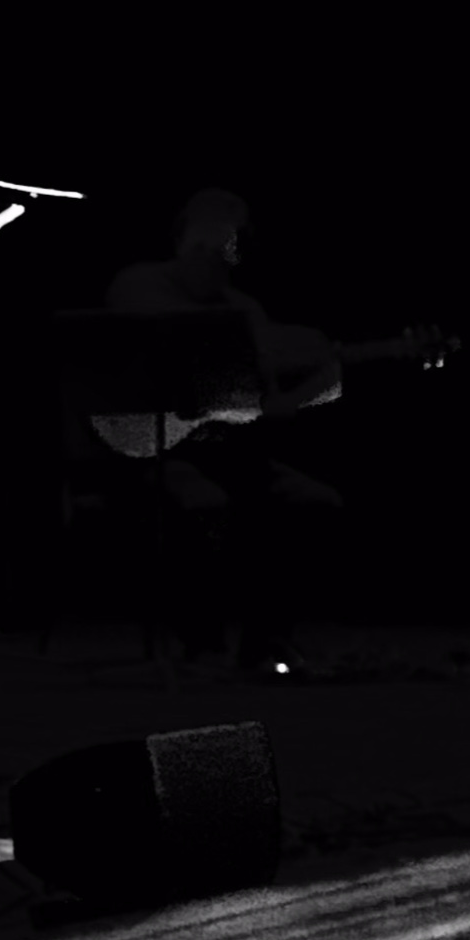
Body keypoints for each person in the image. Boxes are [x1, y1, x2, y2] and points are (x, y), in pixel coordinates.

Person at [98, 188, 344, 668]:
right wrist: (280, 345)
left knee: (314, 503)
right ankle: (203, 642)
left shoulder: (245, 309)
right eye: (203, 247)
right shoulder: (138, 285)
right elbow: (176, 342)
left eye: (227, 248)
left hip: (232, 456)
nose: (215, 260)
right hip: (149, 454)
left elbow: (269, 398)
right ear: (179, 243)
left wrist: (309, 388)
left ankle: (265, 641)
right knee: (202, 500)